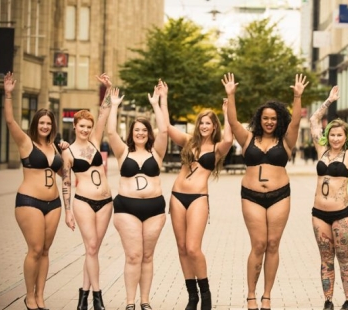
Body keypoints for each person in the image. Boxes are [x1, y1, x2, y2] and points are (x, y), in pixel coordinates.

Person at [222, 72, 308, 310]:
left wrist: (297, 96)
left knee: (273, 243)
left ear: (278, 120)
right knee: (258, 244)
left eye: (273, 118)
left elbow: (296, 123)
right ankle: (251, 294)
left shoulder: (286, 140)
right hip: (251, 196)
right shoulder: (248, 138)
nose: (269, 122)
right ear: (259, 119)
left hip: (280, 194)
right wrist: (230, 95)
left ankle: (267, 295)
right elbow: (233, 122)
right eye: (265, 118)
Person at [159, 81, 233, 310]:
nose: (204, 126)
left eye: (208, 123)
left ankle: (206, 294)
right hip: (177, 196)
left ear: (214, 127)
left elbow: (230, 138)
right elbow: (166, 127)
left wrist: (227, 111)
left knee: (193, 247)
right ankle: (192, 296)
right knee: (181, 247)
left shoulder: (219, 147)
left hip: (199, 198)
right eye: (201, 122)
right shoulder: (187, 142)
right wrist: (164, 98)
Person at [3, 72, 68, 310]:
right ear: (35, 124)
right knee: (35, 249)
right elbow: (10, 122)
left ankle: (40, 296)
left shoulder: (54, 146)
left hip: (54, 204)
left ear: (52, 126)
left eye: (48, 123)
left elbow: (62, 173)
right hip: (29, 202)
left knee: (46, 250)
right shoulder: (25, 143)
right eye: (41, 122)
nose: (45, 126)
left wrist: (67, 153)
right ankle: (28, 296)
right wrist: (8, 95)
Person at [309, 83, 348, 310]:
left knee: (344, 258)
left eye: (340, 135)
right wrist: (328, 101)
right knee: (326, 259)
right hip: (318, 214)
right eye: (333, 134)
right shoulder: (321, 150)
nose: (336, 138)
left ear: (345, 137)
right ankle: (328, 300)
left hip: (342, 215)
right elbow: (313, 121)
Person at [107, 85, 168, 310]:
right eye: (136, 130)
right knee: (133, 255)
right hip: (126, 208)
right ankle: (130, 302)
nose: (140, 133)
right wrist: (114, 106)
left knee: (148, 256)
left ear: (148, 133)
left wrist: (156, 103)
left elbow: (164, 131)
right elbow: (111, 132)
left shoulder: (157, 152)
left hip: (154, 208)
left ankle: (145, 301)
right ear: (131, 133)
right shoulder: (123, 152)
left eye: (144, 130)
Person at [61, 73, 114, 310]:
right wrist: (67, 211)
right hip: (83, 201)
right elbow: (65, 183)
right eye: (81, 126)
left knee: (92, 250)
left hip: (106, 202)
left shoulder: (94, 141)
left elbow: (104, 112)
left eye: (88, 126)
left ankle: (82, 297)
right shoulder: (68, 153)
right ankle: (97, 297)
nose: (85, 129)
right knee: (91, 248)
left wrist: (107, 89)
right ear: (74, 126)